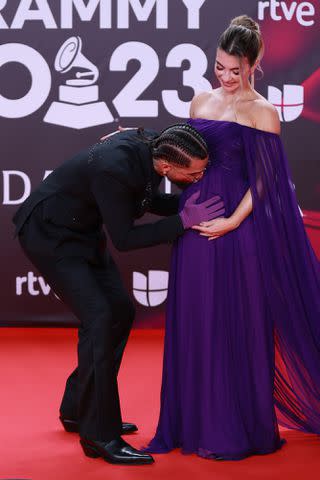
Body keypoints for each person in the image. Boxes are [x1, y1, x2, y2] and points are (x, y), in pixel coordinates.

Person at [145, 16, 320, 460]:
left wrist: (232, 222)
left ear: (254, 64)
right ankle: (191, 422)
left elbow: (265, 182)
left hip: (240, 228)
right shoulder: (200, 101)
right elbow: (185, 160)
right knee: (197, 319)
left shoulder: (263, 111)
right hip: (195, 222)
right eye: (219, 67)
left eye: (235, 70)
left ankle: (234, 426)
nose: (225, 77)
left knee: (236, 321)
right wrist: (188, 209)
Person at [12, 124, 225, 465]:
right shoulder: (114, 167)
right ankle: (100, 434)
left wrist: (188, 202)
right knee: (100, 317)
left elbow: (145, 198)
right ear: (168, 167)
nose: (200, 176)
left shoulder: (158, 146)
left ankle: (78, 410)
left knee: (121, 311)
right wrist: (183, 220)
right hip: (49, 234)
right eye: (195, 173)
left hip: (82, 228)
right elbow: (125, 238)